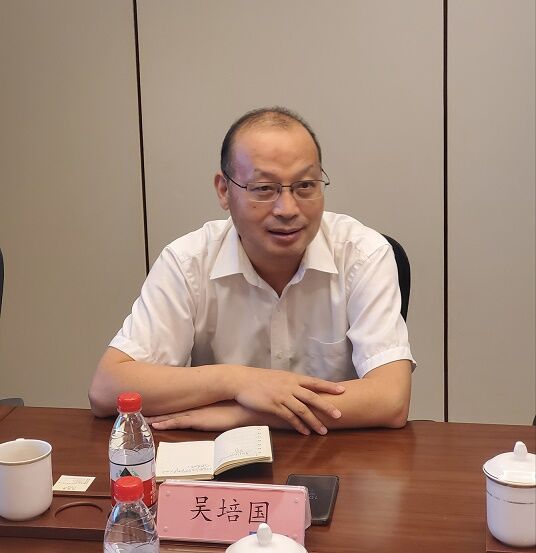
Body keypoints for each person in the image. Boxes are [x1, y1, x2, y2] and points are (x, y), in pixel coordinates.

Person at [89, 106, 415, 435]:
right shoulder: (188, 262)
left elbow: (390, 399)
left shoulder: (363, 255)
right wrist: (238, 381)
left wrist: (243, 414)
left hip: (334, 452)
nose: (287, 209)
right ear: (224, 190)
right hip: (221, 458)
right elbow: (106, 389)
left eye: (305, 185)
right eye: (264, 188)